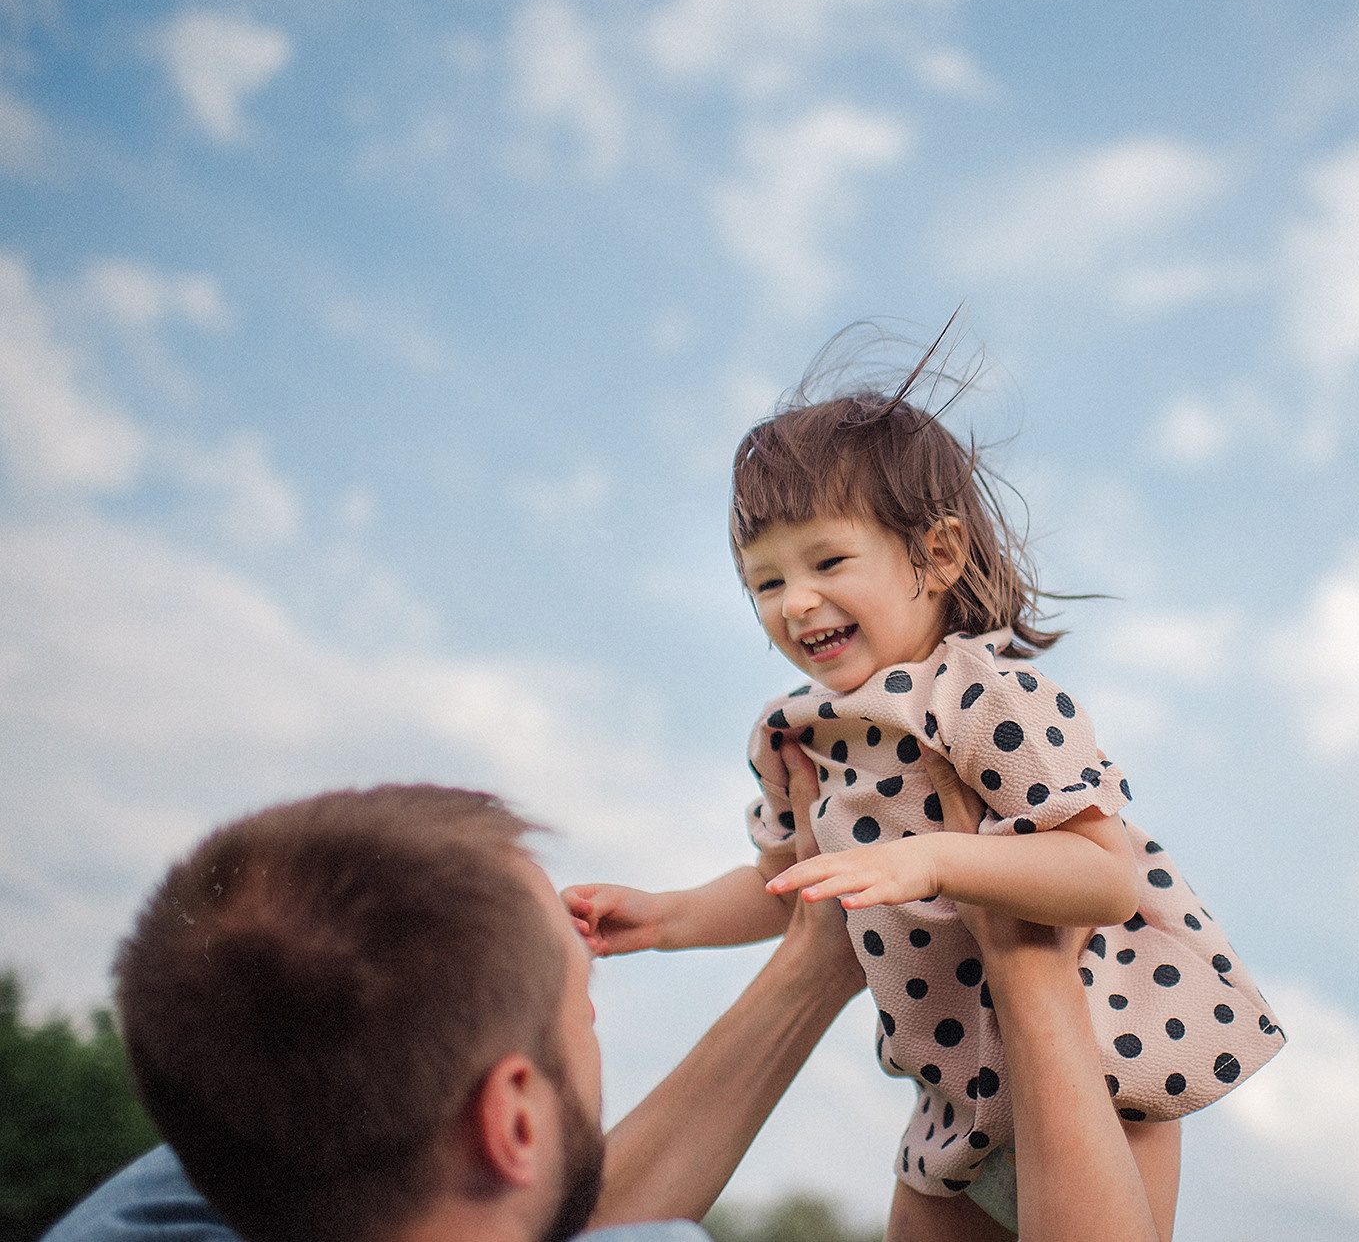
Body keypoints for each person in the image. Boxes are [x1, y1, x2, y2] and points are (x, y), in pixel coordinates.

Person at [564, 336, 1285, 1242]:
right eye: (767, 581)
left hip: (1103, 1068)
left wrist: (941, 858)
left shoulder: (988, 698)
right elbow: (794, 881)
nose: (795, 602)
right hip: (953, 1099)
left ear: (936, 555)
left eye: (827, 563)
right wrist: (667, 918)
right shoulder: (800, 733)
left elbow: (1106, 876)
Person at [44, 745, 1162, 1242]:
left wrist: (816, 954)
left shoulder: (200, 1184)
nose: (595, 1011)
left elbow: (514, 1210)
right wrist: (1029, 976)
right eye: (581, 998)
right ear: (514, 1117)